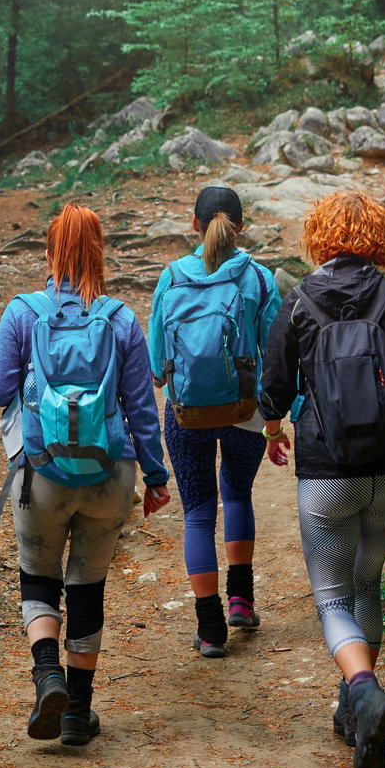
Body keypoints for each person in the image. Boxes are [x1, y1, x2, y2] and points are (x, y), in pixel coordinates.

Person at [0, 202, 172, 747]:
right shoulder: (120, 319)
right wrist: (155, 477)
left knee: (38, 575)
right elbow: (140, 407)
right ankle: (76, 716)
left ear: (49, 253)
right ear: (98, 254)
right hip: (108, 477)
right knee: (88, 584)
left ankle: (47, 678)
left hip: (40, 476)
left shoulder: (22, 312)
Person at [259, 188, 385, 768]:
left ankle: (362, 692)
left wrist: (273, 426)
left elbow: (275, 386)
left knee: (333, 596)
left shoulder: (299, 300)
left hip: (328, 470)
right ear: (380, 236)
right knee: (368, 581)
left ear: (319, 236)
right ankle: (355, 714)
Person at [146, 184, 281, 658]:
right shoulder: (259, 279)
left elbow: (157, 362)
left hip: (187, 414)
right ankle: (241, 600)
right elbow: (276, 354)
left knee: (199, 513)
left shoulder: (171, 277)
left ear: (194, 225)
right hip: (245, 407)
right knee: (238, 493)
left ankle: (210, 629)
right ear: (241, 227)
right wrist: (276, 423)